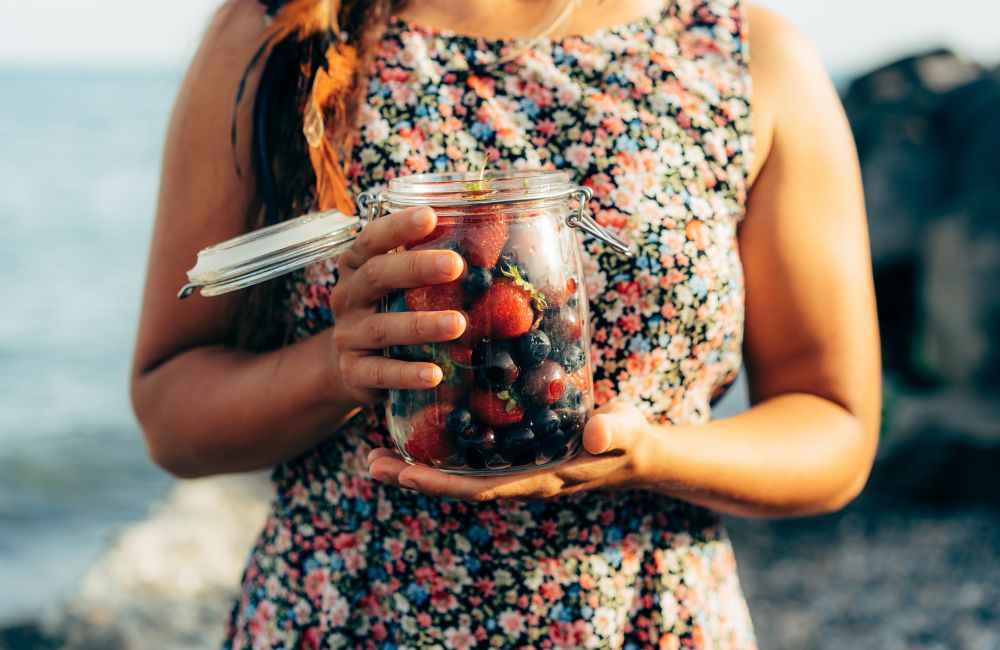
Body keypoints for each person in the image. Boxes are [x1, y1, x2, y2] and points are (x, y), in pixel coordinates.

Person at [130, 0, 881, 647]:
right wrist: (336, 368)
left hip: (641, 618)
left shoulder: (748, 59)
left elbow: (836, 431)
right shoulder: (276, 35)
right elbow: (171, 417)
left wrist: (651, 454)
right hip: (343, 617)